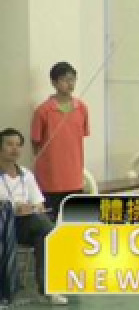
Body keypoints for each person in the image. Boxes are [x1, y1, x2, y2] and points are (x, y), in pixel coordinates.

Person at [0, 128, 68, 305]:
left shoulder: (26, 175)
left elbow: (39, 204)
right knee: (46, 229)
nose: (14, 149)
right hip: (3, 225)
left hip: (24, 224)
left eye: (18, 145)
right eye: (9, 144)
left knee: (44, 233)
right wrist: (12, 208)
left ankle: (48, 290)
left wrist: (29, 207)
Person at [31, 62, 89, 222]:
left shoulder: (82, 108)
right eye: (64, 79)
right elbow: (35, 143)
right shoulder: (43, 111)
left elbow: (80, 137)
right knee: (52, 223)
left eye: (72, 79)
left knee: (74, 222)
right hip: (50, 180)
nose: (70, 84)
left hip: (74, 178)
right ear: (54, 82)